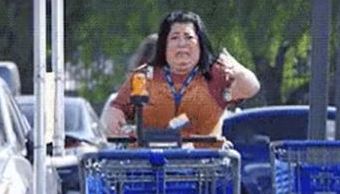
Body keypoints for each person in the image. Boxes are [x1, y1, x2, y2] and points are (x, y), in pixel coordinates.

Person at [107, 10, 260, 142]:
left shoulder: (216, 74)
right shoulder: (143, 76)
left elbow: (251, 88)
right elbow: (118, 106)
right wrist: (115, 120)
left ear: (200, 43)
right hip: (152, 166)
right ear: (163, 45)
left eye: (189, 37)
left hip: (202, 167)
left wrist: (237, 69)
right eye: (174, 38)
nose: (182, 44)